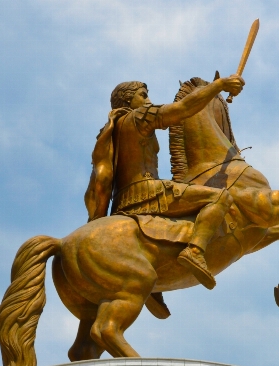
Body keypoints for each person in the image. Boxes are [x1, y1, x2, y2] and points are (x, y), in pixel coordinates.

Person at [84, 75, 244, 289]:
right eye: (143, 95)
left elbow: (101, 181)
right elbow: (182, 109)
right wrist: (219, 86)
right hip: (149, 192)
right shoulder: (140, 117)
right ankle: (195, 251)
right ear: (128, 101)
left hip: (121, 204)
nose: (148, 100)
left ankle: (153, 282)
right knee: (221, 197)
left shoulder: (110, 130)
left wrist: (97, 218)